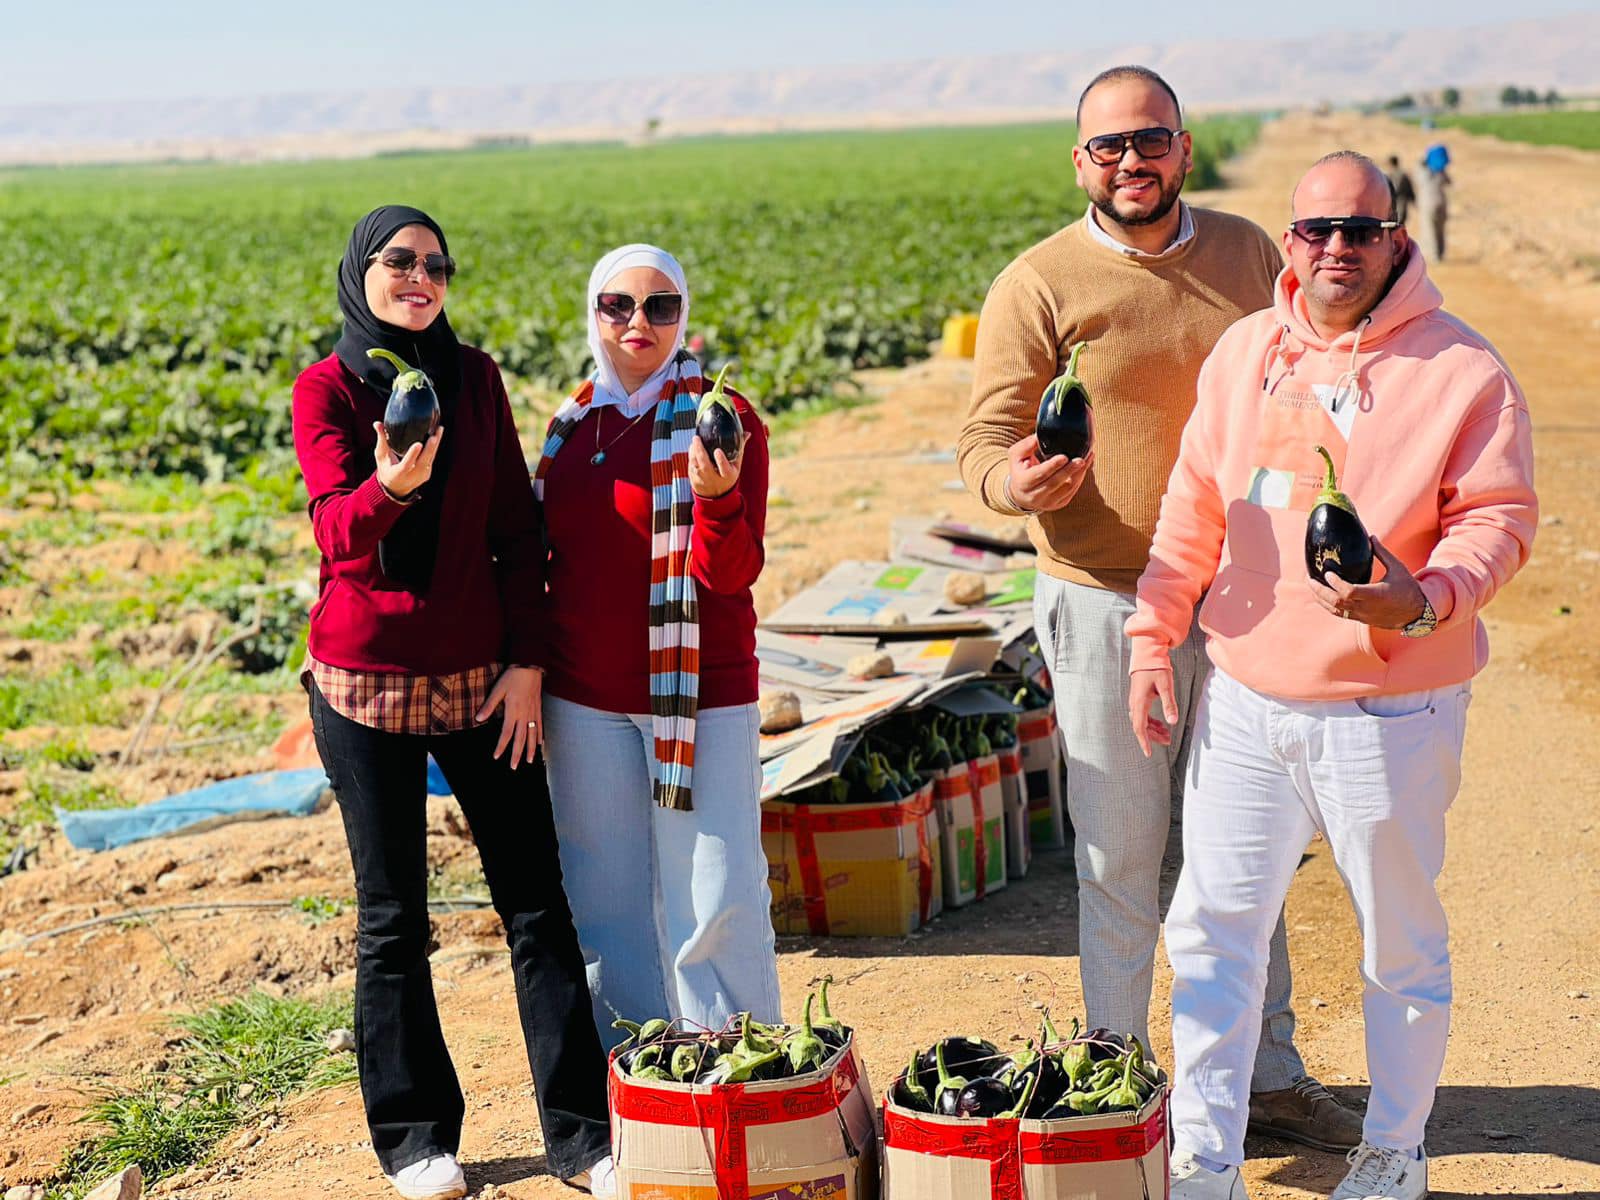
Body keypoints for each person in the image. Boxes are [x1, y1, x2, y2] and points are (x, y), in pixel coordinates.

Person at [959, 65, 1359, 1151]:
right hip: (1100, 599)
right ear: (1078, 161)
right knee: (1120, 848)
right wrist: (1015, 485)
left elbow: (1327, 369)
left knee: (1250, 849)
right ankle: (1115, 1078)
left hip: (1246, 602)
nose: (1129, 163)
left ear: (1184, 147)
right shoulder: (1037, 284)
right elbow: (986, 440)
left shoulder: (1251, 257)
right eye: (1106, 147)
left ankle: (1267, 1075)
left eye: (1149, 142)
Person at [1126, 152, 1536, 1200]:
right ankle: (1205, 1158)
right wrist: (1149, 638)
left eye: (1360, 230)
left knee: (1397, 942)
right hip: (1248, 703)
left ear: (1396, 236)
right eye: (1315, 231)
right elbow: (1192, 509)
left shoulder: (1460, 370)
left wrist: (1425, 598)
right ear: (1289, 239)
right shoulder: (1242, 353)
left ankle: (1393, 1152)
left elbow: (1500, 518)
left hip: (1389, 708)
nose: (1336, 250)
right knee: (1212, 934)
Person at [292, 206, 614, 1200]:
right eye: (399, 261)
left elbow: (518, 530)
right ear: (362, 272)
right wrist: (391, 485)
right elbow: (337, 535)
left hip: (484, 680)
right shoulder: (329, 388)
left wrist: (527, 661)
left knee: (533, 900)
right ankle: (413, 1138)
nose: (419, 276)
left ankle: (581, 1136)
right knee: (394, 915)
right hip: (363, 686)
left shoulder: (472, 380)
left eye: (435, 264)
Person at [534, 243, 781, 1049]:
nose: (638, 323)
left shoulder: (728, 422)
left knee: (715, 896)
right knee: (606, 900)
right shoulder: (570, 429)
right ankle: (638, 1082)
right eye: (618, 306)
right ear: (592, 312)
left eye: (661, 306)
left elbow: (733, 572)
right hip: (585, 702)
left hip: (702, 696)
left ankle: (738, 1078)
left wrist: (715, 500)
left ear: (684, 317)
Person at [1415, 149, 1451, 262]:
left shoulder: (1423, 172)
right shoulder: (1440, 172)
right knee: (1440, 229)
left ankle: (1435, 254)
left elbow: (1418, 175)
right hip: (1441, 202)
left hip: (1427, 204)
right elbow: (1449, 182)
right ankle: (1440, 253)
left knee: (1430, 229)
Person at [1383, 155, 1415, 226]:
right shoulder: (1403, 175)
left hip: (1397, 202)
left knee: (1397, 223)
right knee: (1399, 223)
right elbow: (1410, 189)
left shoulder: (1388, 175)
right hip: (1400, 203)